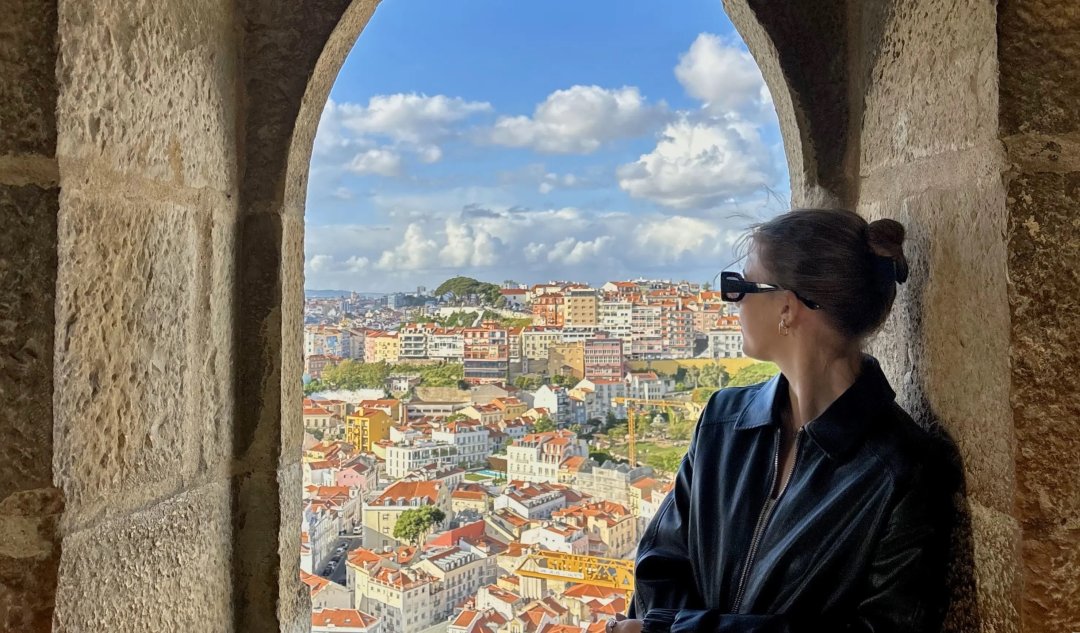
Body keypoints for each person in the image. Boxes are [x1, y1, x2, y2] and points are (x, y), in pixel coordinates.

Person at [608, 209, 955, 633]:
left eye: (740, 286)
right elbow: (658, 566)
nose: (731, 302)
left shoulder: (903, 469)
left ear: (787, 307)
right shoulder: (722, 420)